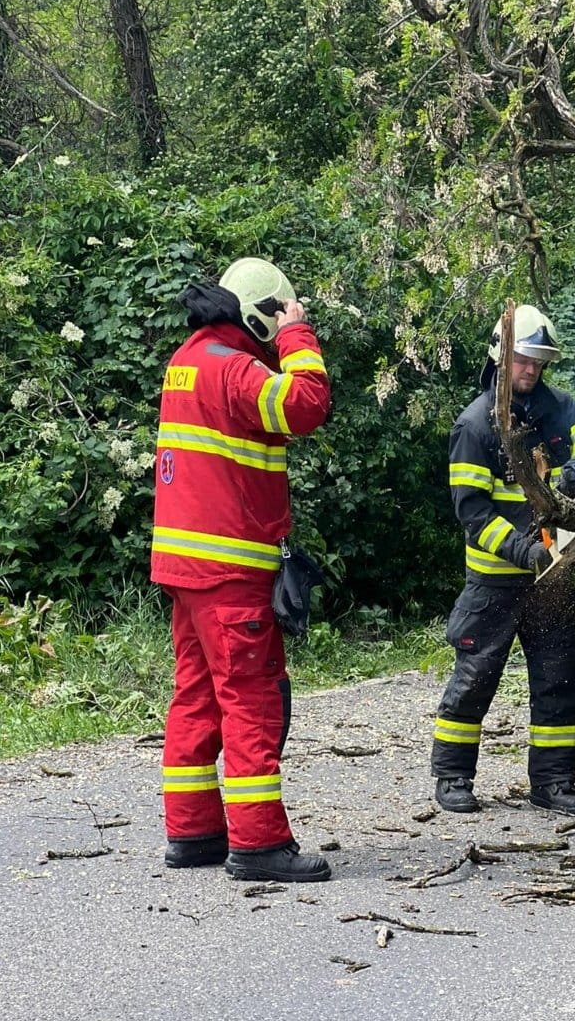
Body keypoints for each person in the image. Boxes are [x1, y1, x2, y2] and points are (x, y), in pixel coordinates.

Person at [153, 258, 334, 882]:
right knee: (251, 699)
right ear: (259, 315)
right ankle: (259, 844)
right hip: (230, 571)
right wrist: (297, 336)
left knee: (196, 697)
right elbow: (307, 404)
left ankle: (194, 832)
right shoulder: (235, 369)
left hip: (185, 568)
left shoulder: (186, 361)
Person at [431, 305, 575, 817]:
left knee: (559, 679)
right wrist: (523, 550)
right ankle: (452, 776)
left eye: (538, 361)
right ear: (500, 354)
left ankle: (553, 782)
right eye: (522, 359)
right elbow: (473, 513)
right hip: (495, 578)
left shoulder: (560, 408)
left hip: (551, 577)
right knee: (475, 677)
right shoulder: (475, 425)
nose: (530, 370)